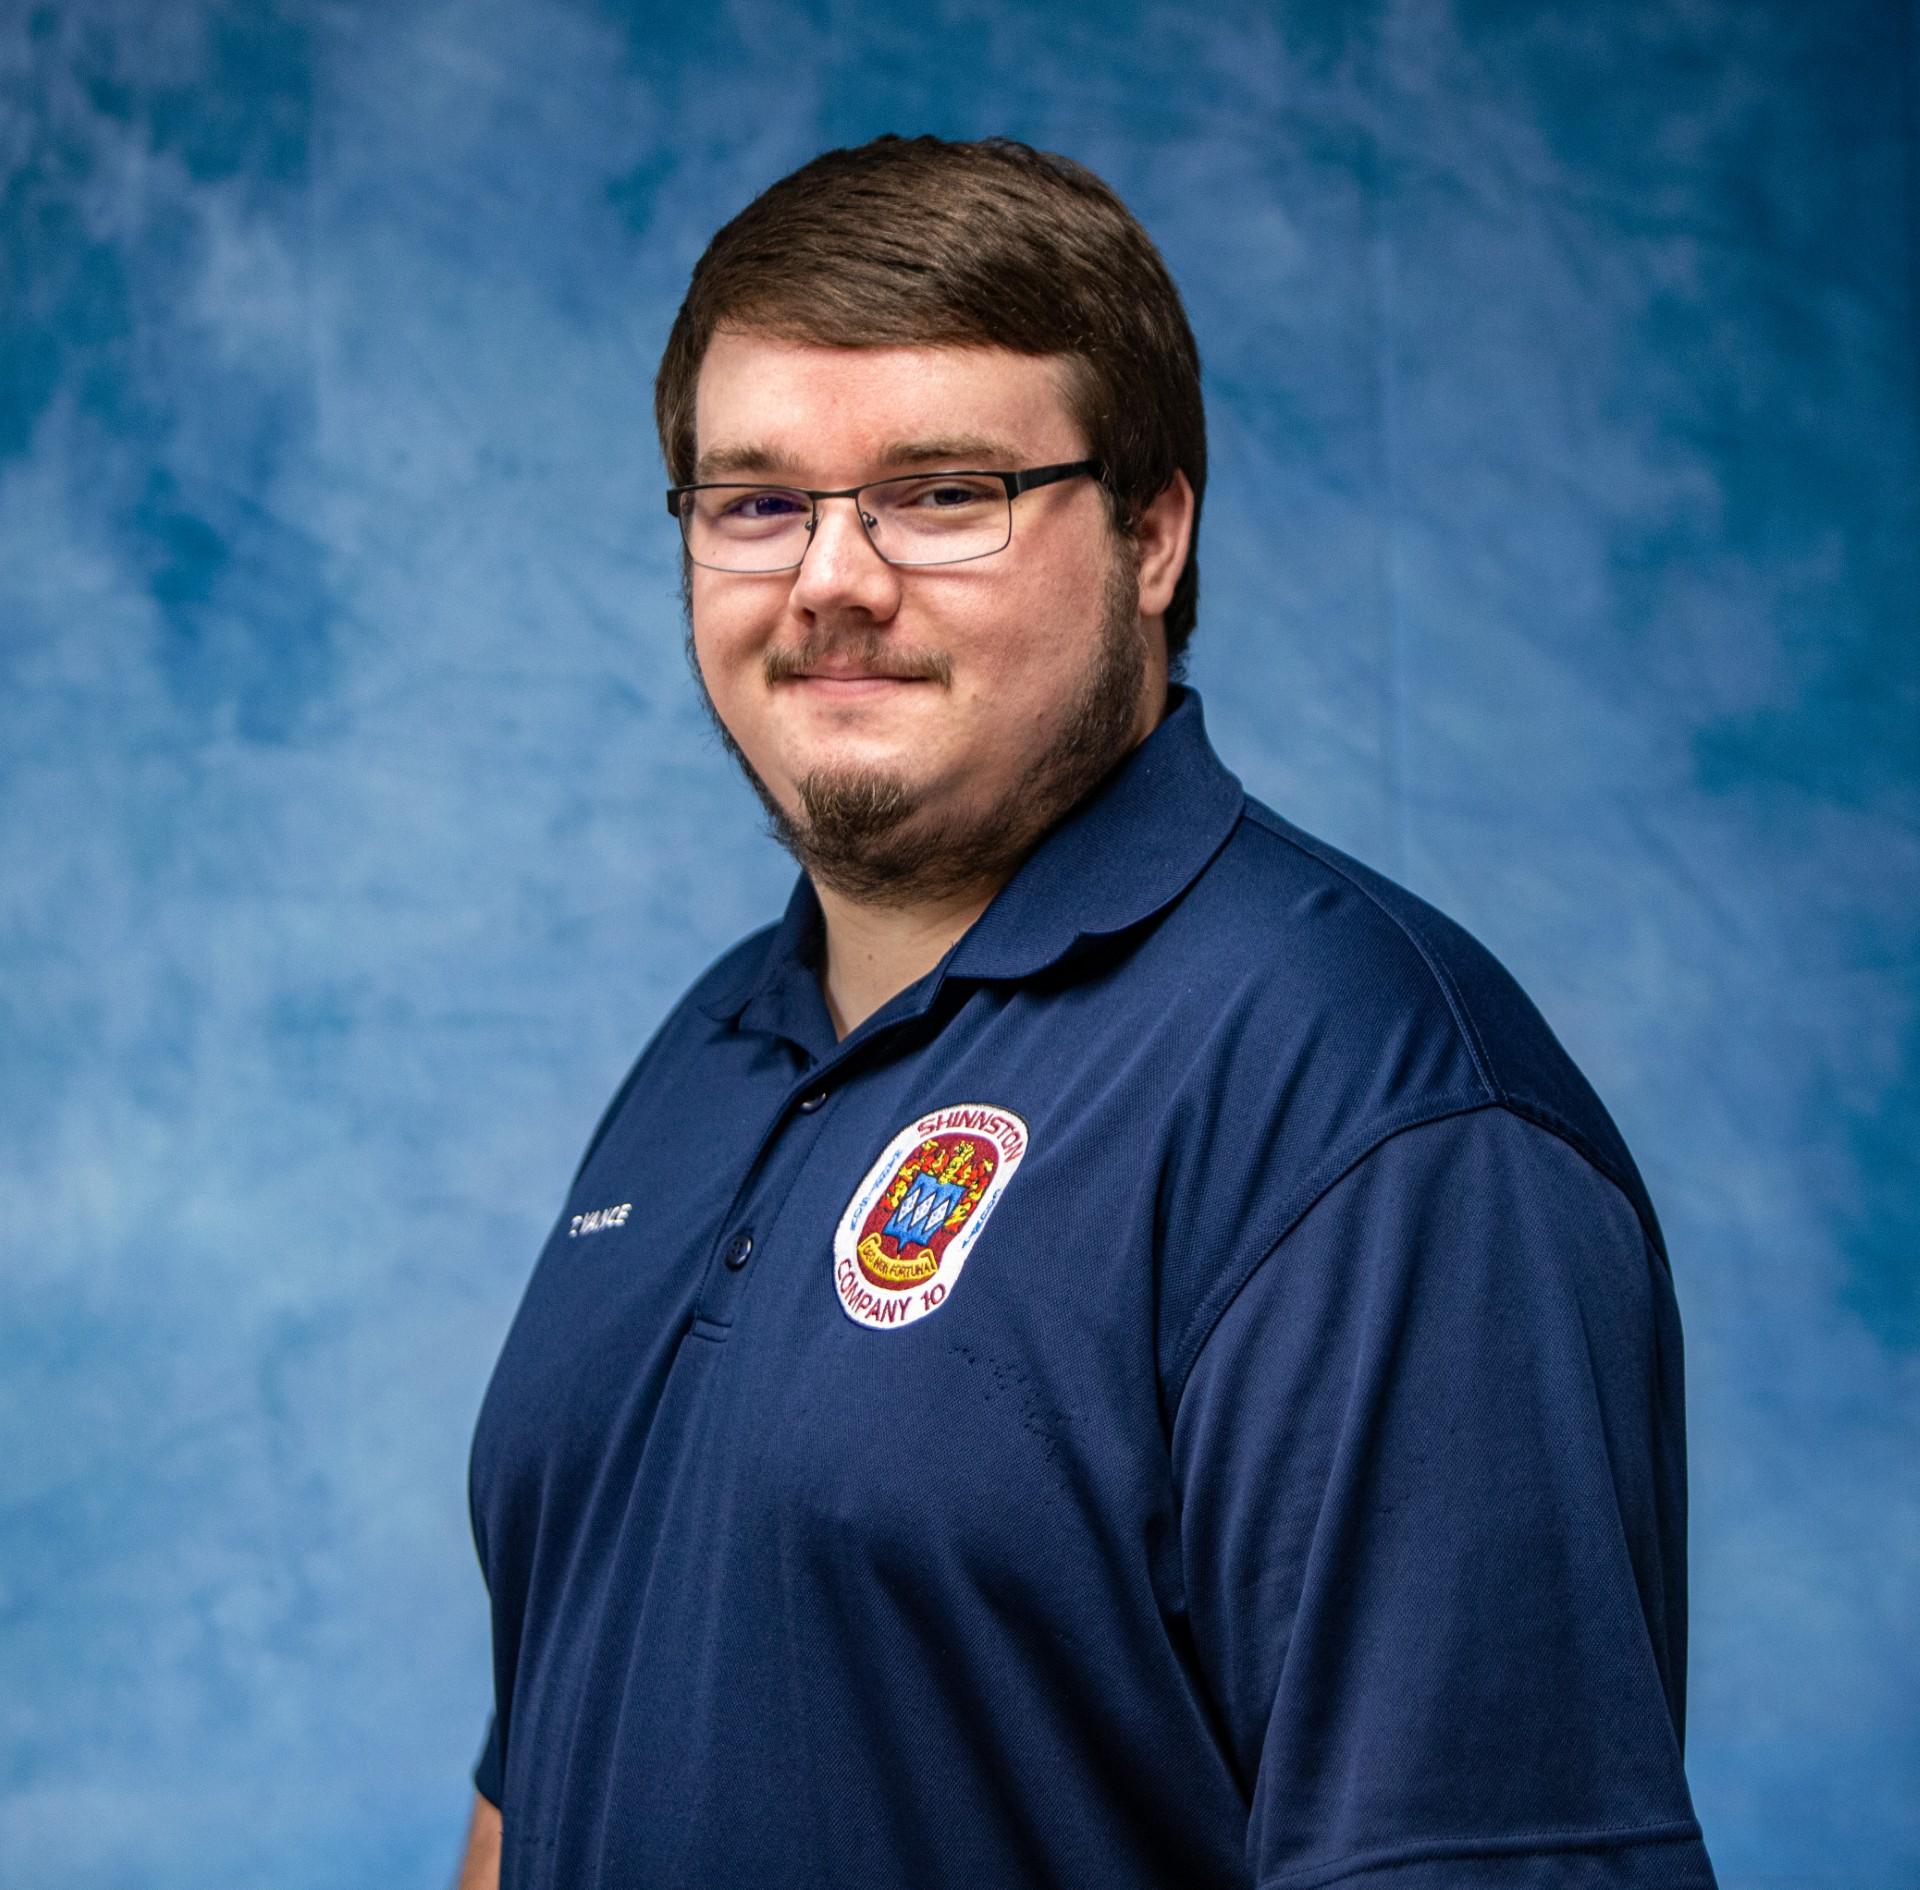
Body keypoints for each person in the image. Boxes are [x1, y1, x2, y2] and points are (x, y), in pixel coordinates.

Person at [456, 135, 1717, 1890]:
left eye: (942, 493)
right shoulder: (708, 1053)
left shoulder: (1370, 1110)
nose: (832, 577)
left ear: (1153, 533)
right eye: (756, 503)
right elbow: (543, 1771)